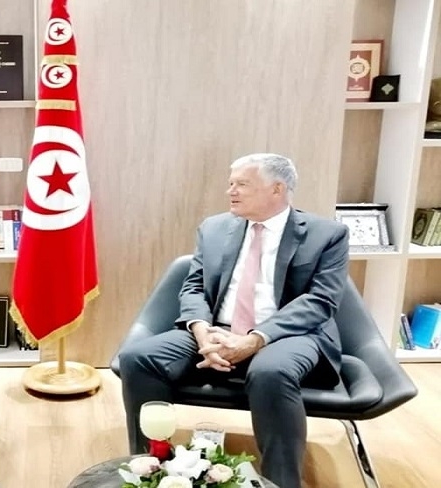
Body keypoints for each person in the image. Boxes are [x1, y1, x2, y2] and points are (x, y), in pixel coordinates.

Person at [118, 153, 349, 488]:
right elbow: (193, 287)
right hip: (216, 329)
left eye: (242, 184)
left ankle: (281, 483)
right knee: (138, 358)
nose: (231, 191)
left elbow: (320, 301)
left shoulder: (326, 234)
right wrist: (201, 333)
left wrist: (254, 339)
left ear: (277, 189)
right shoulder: (214, 228)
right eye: (230, 183)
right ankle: (151, 468)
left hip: (288, 334)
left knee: (272, 371)